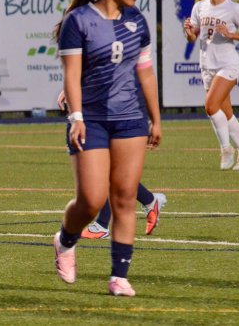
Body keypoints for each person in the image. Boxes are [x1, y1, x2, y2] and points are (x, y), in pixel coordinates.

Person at [52, 0, 162, 297]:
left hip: (130, 119)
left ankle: (119, 276)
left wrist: (156, 118)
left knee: (125, 198)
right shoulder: (79, 20)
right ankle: (65, 240)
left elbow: (144, 71)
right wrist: (77, 117)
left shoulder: (136, 20)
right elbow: (71, 74)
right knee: (91, 200)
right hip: (92, 119)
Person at [56, 91, 167, 239]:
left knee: (105, 168)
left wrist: (155, 121)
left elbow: (144, 74)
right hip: (109, 102)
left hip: (115, 104)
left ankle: (102, 225)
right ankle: (149, 200)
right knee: (111, 169)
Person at [183, 0, 239, 171]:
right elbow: (193, 36)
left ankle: (226, 150)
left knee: (210, 106)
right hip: (207, 64)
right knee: (226, 112)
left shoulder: (233, 8)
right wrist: (189, 32)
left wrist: (231, 35)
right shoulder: (199, 7)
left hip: (228, 63)